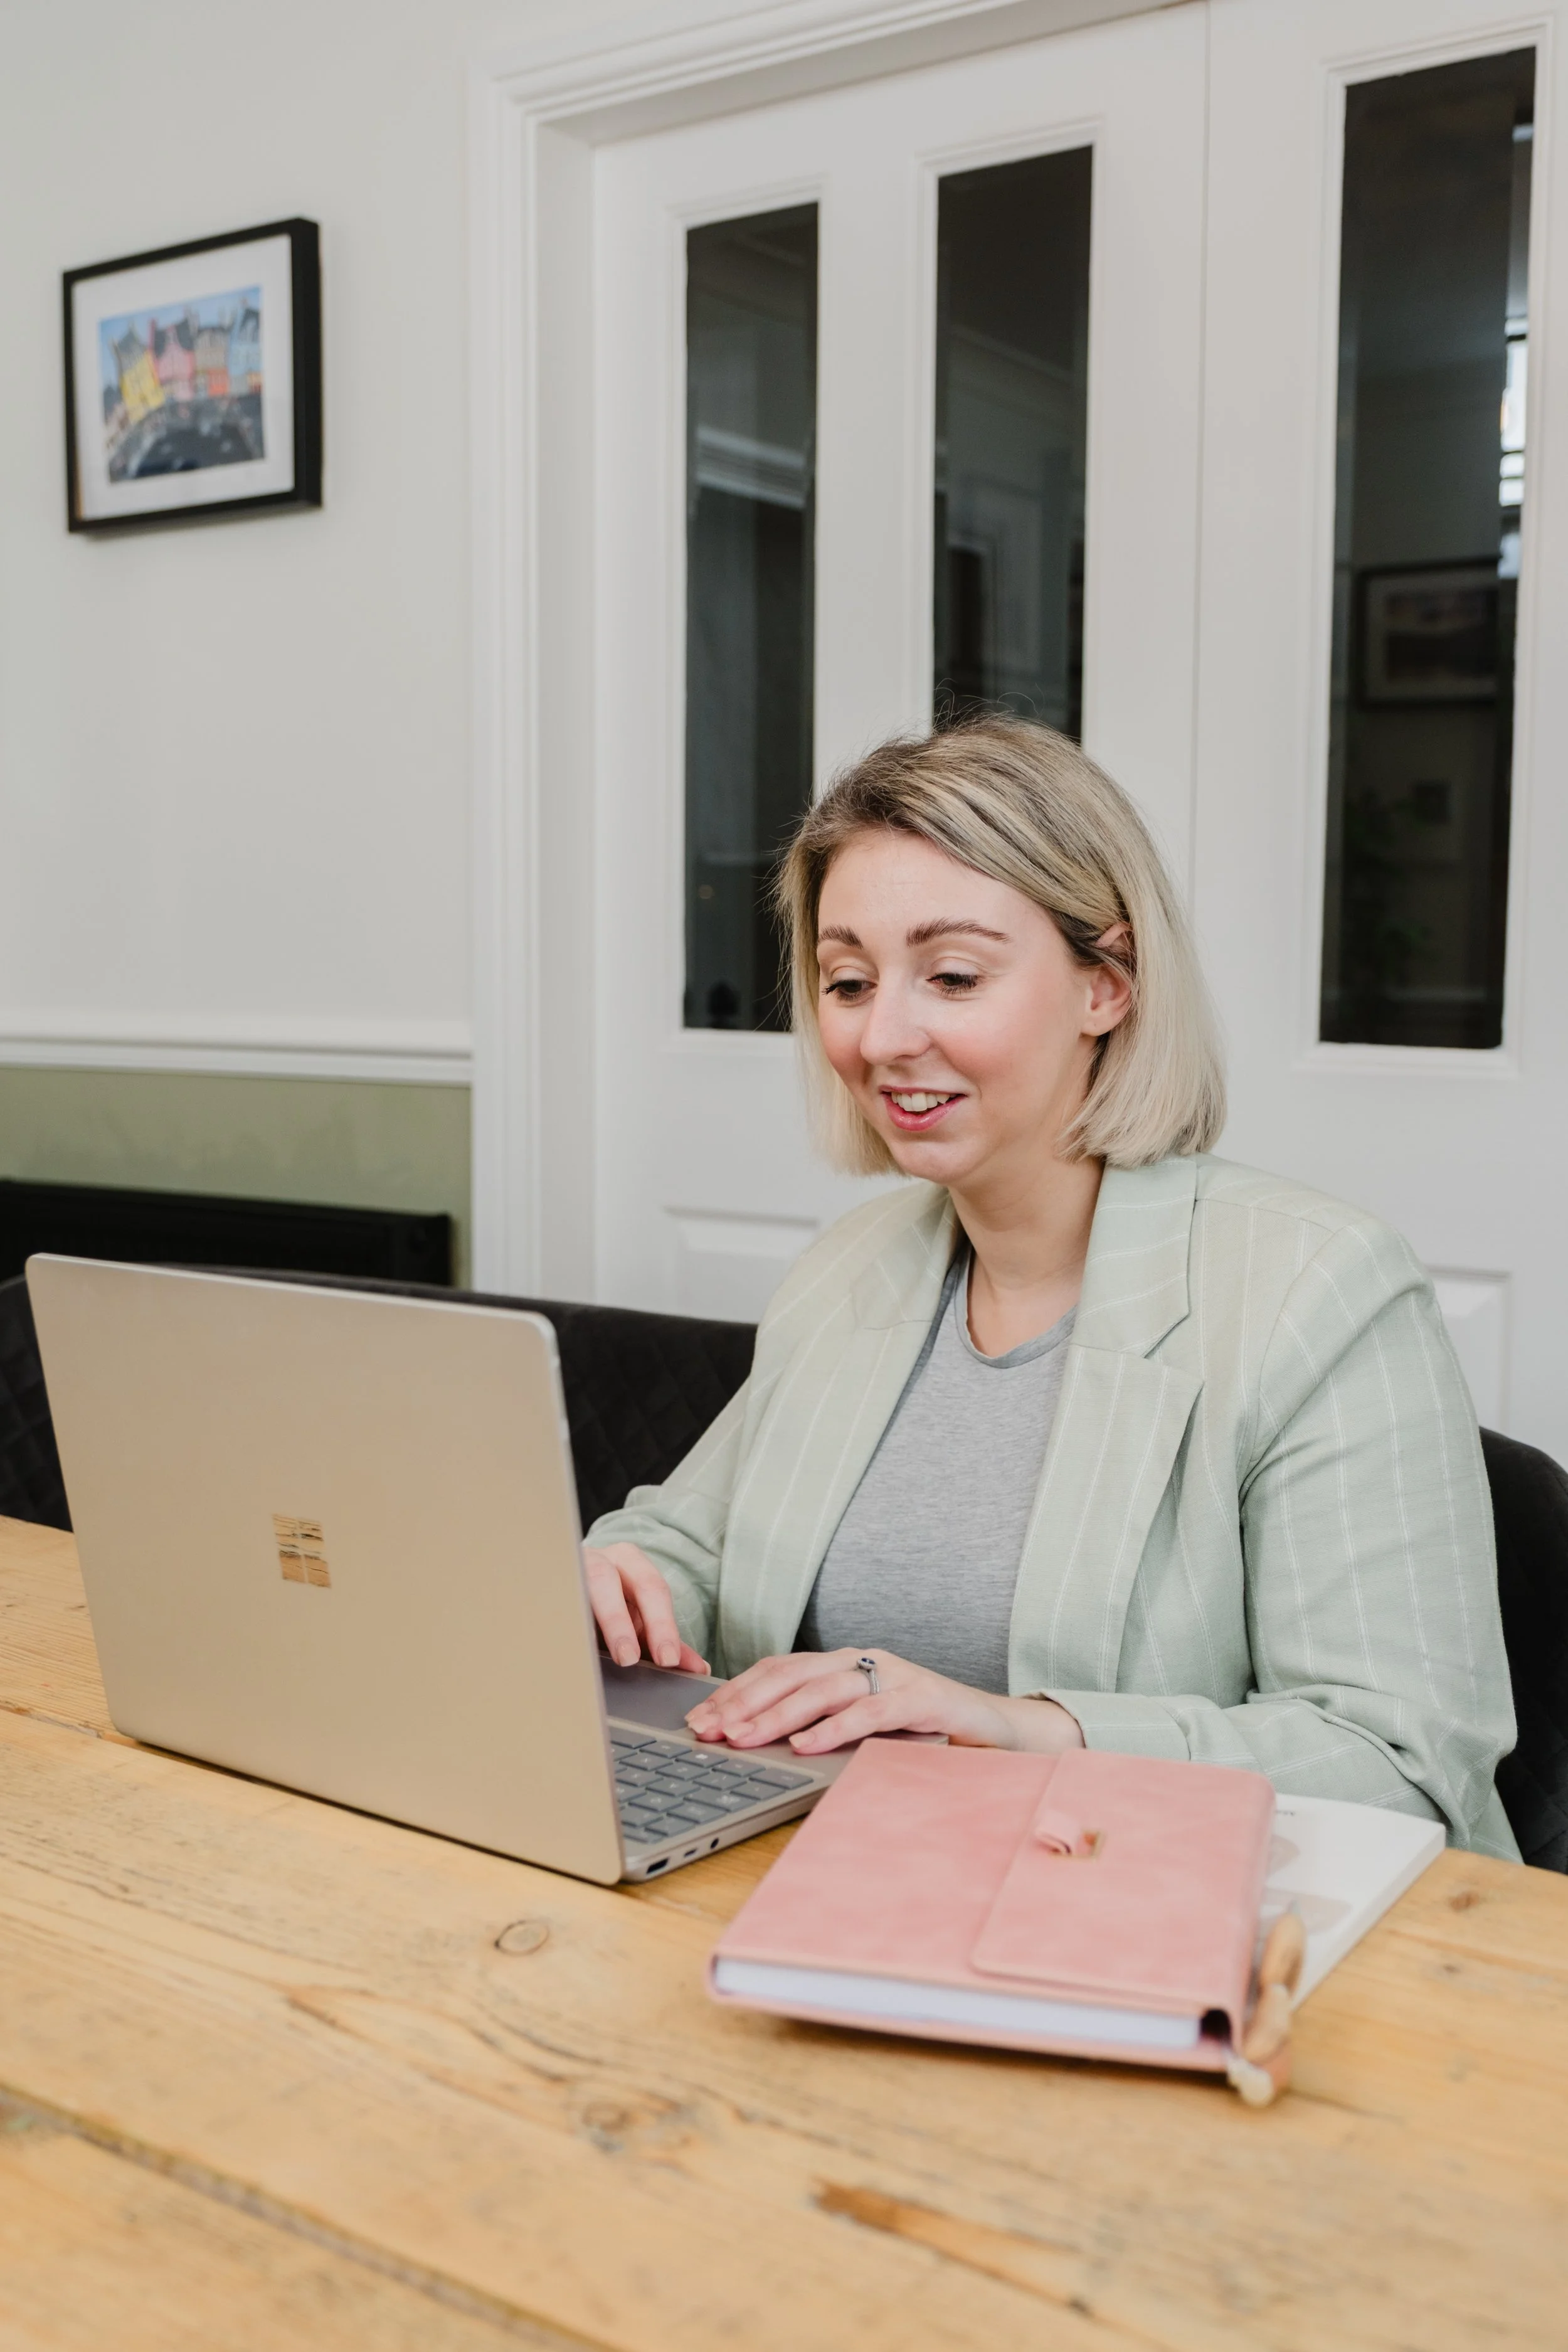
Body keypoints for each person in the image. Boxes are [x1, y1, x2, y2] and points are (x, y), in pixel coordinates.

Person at [583, 718, 1518, 1858]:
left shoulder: (1318, 1289)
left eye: (955, 975)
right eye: (847, 980)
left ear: (1108, 985)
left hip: (1188, 1941)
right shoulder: (854, 1267)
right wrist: (625, 1578)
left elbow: (1402, 1764)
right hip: (861, 1887)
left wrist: (1022, 1730)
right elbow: (687, 1537)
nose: (882, 1035)